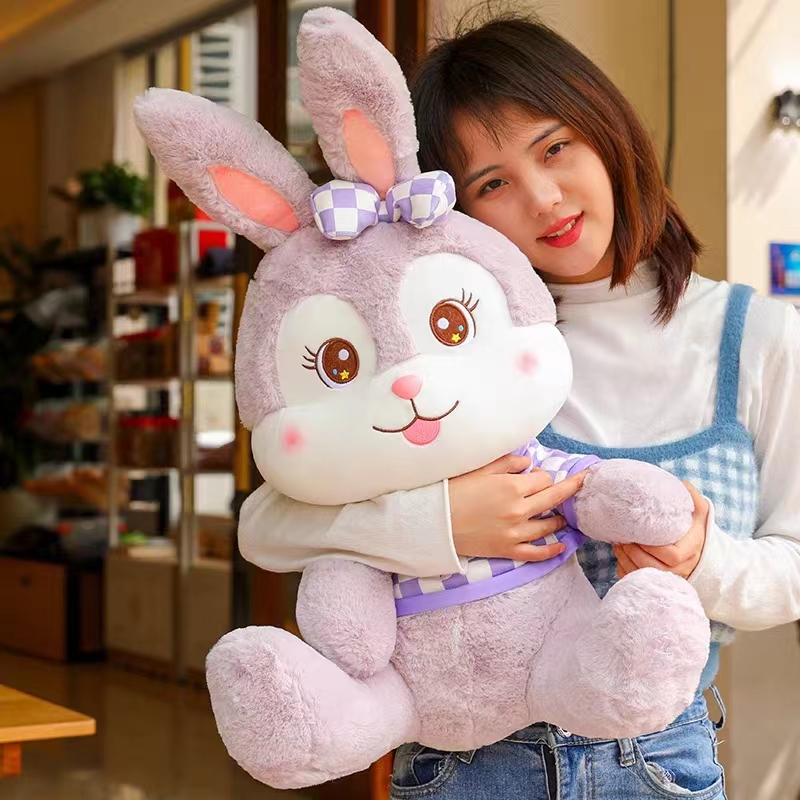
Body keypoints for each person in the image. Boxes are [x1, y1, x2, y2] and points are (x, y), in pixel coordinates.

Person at [237, 10, 800, 799]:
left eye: (555, 147)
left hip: (659, 764)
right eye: (492, 183)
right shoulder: (450, 345)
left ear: (608, 132)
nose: (542, 197)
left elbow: (792, 563)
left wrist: (703, 560)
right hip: (463, 766)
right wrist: (437, 524)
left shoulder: (758, 337)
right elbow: (266, 524)